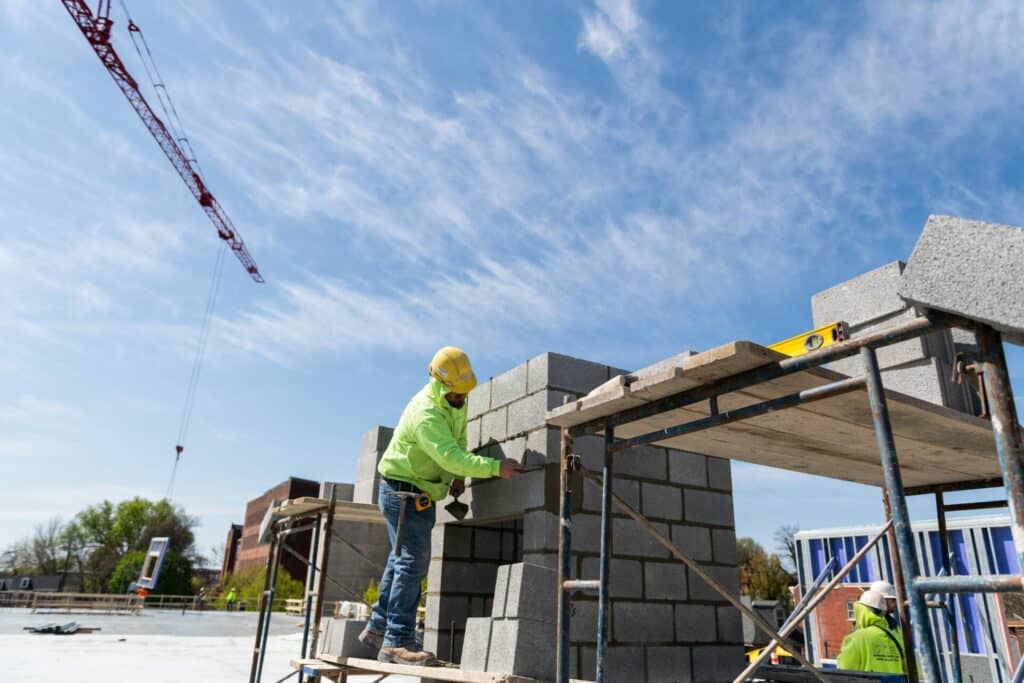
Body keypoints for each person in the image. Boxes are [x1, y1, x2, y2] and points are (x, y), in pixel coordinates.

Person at [359, 347, 524, 666]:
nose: (462, 398)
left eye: (465, 392)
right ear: (440, 384)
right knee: (413, 561)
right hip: (402, 491)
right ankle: (397, 641)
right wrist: (495, 467)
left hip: (418, 489)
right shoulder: (426, 412)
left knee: (401, 561)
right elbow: (447, 453)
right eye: (456, 393)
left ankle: (379, 628)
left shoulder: (456, 398)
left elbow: (458, 441)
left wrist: (458, 475)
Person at [836, 589, 907, 675]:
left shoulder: (855, 639)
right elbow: (908, 669)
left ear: (861, 610)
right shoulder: (897, 635)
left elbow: (844, 672)